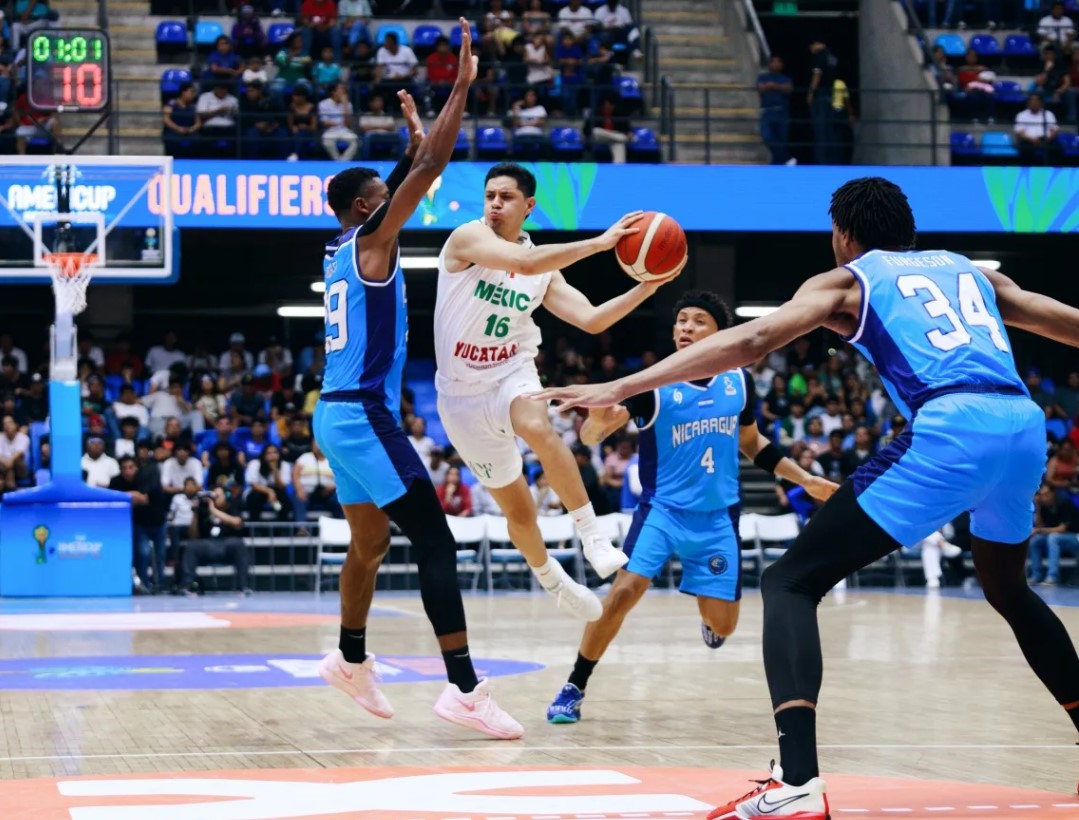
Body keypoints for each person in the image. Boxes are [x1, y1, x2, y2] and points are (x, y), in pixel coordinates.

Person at [534, 176, 1079, 818]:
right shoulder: (973, 273)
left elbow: (750, 342)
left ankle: (797, 782)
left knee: (790, 582)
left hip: (949, 428)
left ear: (842, 235)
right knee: (1009, 589)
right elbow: (1067, 323)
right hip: (1022, 427)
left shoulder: (846, 280)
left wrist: (620, 385)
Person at [311, 24, 522, 740]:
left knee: (368, 545)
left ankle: (348, 658)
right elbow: (428, 170)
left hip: (334, 415)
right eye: (386, 194)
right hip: (361, 414)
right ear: (369, 208)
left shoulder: (345, 246)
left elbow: (408, 177)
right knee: (437, 545)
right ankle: (463, 687)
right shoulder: (374, 241)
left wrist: (407, 145)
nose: (397, 198)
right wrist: (459, 88)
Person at [546, 292, 837, 724]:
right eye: (680, 320)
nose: (685, 327)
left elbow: (751, 442)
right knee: (623, 593)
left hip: (718, 517)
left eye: (698, 321)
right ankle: (575, 684)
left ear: (719, 334)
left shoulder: (739, 381)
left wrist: (806, 479)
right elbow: (591, 437)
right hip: (662, 511)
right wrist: (598, 424)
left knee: (724, 626)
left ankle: (709, 613)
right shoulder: (651, 383)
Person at [434, 161, 668, 622]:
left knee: (538, 426)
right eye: (490, 196)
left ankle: (593, 534)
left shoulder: (544, 271)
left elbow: (592, 319)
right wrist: (601, 243)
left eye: (506, 197)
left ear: (529, 206)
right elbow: (523, 262)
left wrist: (648, 286)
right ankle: (552, 580)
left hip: (510, 371)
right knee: (518, 509)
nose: (495, 204)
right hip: (460, 395)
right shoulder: (467, 238)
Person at [175, 485, 251, 596]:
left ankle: (243, 587)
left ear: (226, 497)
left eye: (218, 496)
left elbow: (237, 523)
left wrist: (214, 511)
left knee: (239, 545)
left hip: (227, 544)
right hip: (207, 545)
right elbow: (193, 535)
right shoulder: (204, 509)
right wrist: (195, 513)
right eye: (213, 495)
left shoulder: (232, 507)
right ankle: (187, 586)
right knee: (191, 546)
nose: (214, 498)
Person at [758, 54, 793, 165]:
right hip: (767, 111)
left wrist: (774, 86)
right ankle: (786, 159)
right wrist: (773, 87)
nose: (775, 64)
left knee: (781, 139)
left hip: (781, 111)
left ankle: (776, 163)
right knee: (767, 137)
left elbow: (788, 88)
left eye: (778, 62)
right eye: (773, 61)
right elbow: (760, 88)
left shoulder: (785, 78)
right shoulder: (762, 77)